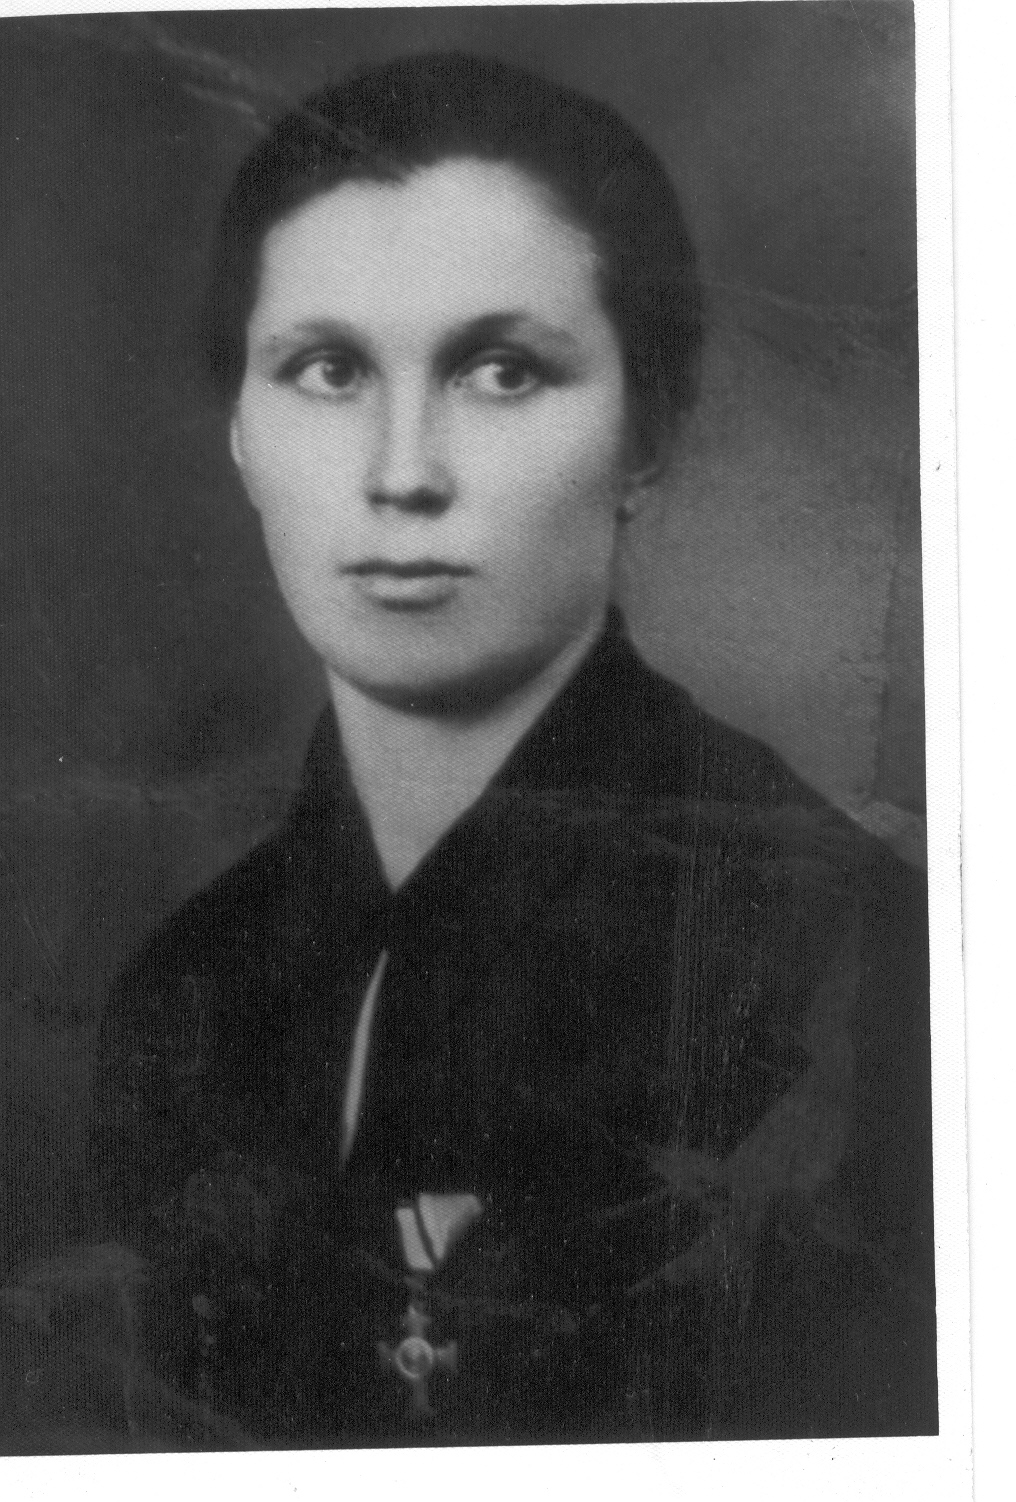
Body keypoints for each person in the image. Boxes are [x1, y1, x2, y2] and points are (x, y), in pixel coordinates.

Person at [73, 52, 934, 1448]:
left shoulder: (853, 960)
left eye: (499, 369)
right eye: (327, 369)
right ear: (239, 428)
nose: (402, 472)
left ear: (647, 431)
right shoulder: (183, 996)